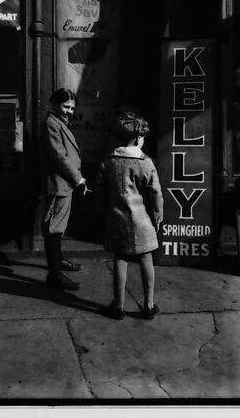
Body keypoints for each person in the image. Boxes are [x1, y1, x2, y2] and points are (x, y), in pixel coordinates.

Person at [94, 107, 164, 319]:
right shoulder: (146, 163)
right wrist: (158, 215)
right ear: (138, 138)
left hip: (117, 220)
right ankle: (149, 304)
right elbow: (155, 194)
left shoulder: (108, 162)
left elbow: (99, 193)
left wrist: (103, 214)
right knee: (146, 259)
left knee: (120, 259)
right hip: (142, 221)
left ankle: (118, 306)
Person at [39, 88, 89, 290]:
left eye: (72, 108)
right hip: (59, 182)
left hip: (64, 182)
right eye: (66, 106)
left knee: (57, 225)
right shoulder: (52, 123)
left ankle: (58, 261)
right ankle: (55, 276)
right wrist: (78, 179)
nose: (69, 111)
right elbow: (59, 156)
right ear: (54, 103)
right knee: (54, 228)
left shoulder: (58, 122)